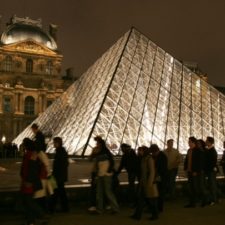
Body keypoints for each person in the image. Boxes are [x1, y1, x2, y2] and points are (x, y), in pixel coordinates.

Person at [20, 138, 47, 225]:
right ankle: (31, 221)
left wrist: (29, 181)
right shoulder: (30, 153)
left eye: (24, 144)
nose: (23, 145)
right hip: (27, 181)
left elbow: (32, 169)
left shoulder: (32, 154)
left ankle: (41, 215)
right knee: (28, 201)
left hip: (29, 182)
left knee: (29, 201)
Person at [92, 136, 119, 214]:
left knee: (108, 192)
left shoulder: (106, 152)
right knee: (99, 192)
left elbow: (111, 162)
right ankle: (99, 209)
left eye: (97, 143)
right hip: (100, 174)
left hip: (106, 175)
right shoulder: (98, 152)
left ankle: (115, 208)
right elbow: (95, 162)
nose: (96, 144)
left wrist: (108, 171)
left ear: (101, 144)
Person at [131, 146, 159, 221]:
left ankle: (154, 214)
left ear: (144, 151)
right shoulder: (144, 159)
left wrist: (149, 183)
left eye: (140, 151)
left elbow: (152, 171)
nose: (139, 152)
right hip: (144, 182)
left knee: (150, 200)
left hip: (148, 183)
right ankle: (137, 214)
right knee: (142, 199)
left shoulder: (149, 159)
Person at [184, 137, 205, 207]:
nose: (188, 143)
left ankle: (203, 201)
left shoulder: (198, 151)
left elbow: (200, 162)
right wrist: (186, 168)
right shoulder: (189, 150)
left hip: (195, 172)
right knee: (191, 187)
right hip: (190, 171)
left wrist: (196, 171)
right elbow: (187, 160)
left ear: (193, 142)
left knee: (197, 187)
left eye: (189, 141)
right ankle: (192, 203)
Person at [50, 137, 69, 213]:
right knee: (60, 192)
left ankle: (52, 208)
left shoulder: (60, 152)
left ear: (58, 143)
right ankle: (64, 208)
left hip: (59, 176)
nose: (53, 144)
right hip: (59, 176)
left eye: (54, 142)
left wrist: (55, 174)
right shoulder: (61, 151)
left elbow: (62, 164)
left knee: (57, 192)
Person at [150, 144, 168, 212]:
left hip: (161, 177)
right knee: (159, 193)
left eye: (152, 152)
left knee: (160, 193)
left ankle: (159, 208)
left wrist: (157, 175)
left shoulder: (162, 156)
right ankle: (158, 207)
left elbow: (162, 168)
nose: (152, 153)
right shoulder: (159, 156)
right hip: (159, 177)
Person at [204, 136, 219, 205]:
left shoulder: (212, 151)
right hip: (210, 170)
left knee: (212, 185)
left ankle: (213, 199)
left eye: (206, 141)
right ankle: (214, 198)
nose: (205, 142)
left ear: (209, 142)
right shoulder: (210, 150)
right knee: (212, 185)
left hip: (211, 171)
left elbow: (211, 162)